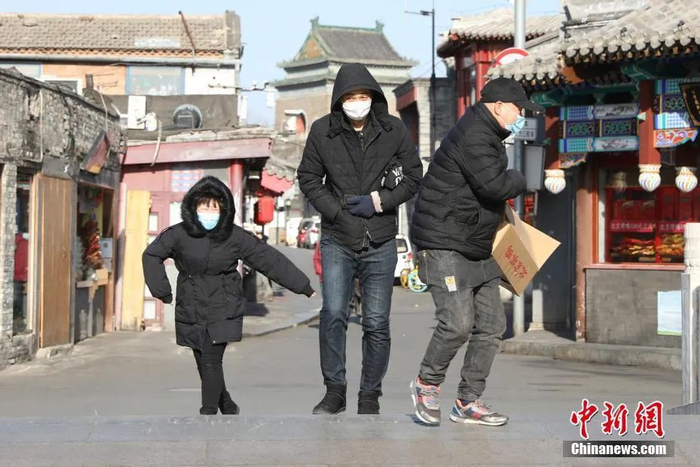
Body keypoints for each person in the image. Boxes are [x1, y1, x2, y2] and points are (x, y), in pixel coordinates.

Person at [409, 78, 543, 426]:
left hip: (477, 242)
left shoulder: (489, 134)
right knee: (456, 324)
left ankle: (468, 401)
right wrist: (520, 177)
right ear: (499, 106)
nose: (520, 116)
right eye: (517, 109)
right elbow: (494, 186)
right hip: (444, 243)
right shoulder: (476, 135)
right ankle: (426, 384)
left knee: (492, 325)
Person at [298, 63, 423, 415]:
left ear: (373, 97)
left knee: (377, 322)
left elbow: (414, 177)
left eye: (362, 96)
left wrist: (379, 202)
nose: (357, 102)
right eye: (350, 97)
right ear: (340, 100)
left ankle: (370, 394)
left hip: (381, 239)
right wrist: (336, 211)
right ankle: (334, 391)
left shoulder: (393, 129)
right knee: (333, 314)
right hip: (337, 237)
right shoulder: (322, 131)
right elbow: (308, 179)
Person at [143, 176, 315, 415]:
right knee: (202, 359)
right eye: (204, 207)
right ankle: (226, 403)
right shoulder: (179, 234)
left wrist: (303, 285)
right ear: (193, 207)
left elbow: (267, 259)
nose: (209, 213)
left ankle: (208, 413)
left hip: (223, 305)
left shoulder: (234, 236)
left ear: (224, 209)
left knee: (211, 360)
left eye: (214, 207)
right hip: (191, 305)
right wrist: (162, 290)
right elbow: (151, 255)